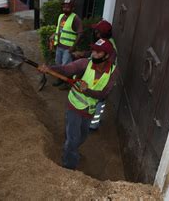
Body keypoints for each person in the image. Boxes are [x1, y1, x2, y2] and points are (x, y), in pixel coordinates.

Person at [37, 38, 118, 170]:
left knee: (83, 135)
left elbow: (103, 94)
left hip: (89, 110)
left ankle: (70, 148)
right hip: (74, 106)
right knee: (73, 138)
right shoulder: (84, 63)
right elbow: (66, 69)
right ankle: (68, 166)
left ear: (107, 56)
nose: (94, 54)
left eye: (99, 52)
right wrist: (49, 68)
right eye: (94, 51)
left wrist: (88, 90)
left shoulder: (113, 72)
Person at [72, 19, 117, 130]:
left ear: (103, 33)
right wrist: (83, 54)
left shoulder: (110, 47)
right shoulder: (104, 41)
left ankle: (94, 124)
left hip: (104, 80)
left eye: (97, 31)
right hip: (99, 79)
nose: (95, 33)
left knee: (99, 102)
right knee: (96, 100)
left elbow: (103, 65)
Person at [50, 0, 83, 88]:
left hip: (68, 48)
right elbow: (59, 29)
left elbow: (80, 34)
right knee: (58, 64)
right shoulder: (61, 16)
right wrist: (53, 35)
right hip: (59, 46)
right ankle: (60, 79)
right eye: (64, 6)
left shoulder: (76, 18)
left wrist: (73, 47)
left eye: (68, 7)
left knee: (66, 66)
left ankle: (67, 83)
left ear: (72, 8)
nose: (65, 8)